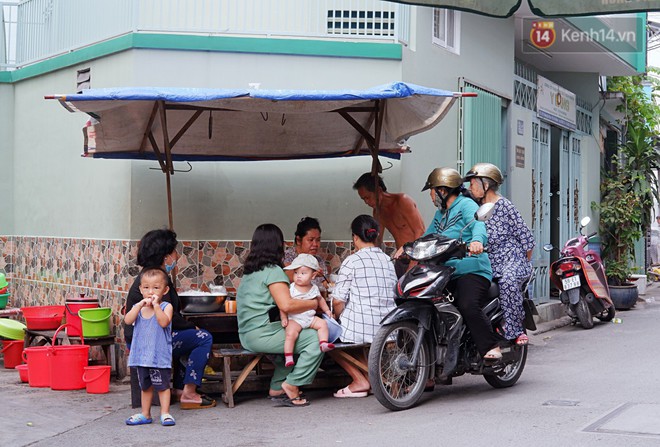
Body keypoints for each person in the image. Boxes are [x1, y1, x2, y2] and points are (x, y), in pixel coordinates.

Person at [399, 167, 501, 360]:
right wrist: (408, 248)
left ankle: (491, 345)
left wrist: (477, 241)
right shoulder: (441, 214)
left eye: (431, 191)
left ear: (442, 191)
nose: (431, 196)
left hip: (472, 269)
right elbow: (428, 236)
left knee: (467, 303)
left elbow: (478, 224)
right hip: (446, 271)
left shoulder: (466, 205)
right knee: (426, 302)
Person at [124, 229, 216, 410]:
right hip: (148, 342)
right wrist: (193, 326)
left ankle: (181, 389)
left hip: (141, 339)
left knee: (188, 337)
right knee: (203, 338)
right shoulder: (157, 281)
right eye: (174, 251)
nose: (177, 255)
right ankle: (189, 392)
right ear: (166, 256)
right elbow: (169, 316)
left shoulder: (148, 276)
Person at [237, 223, 324, 407]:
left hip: (247, 334)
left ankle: (277, 388)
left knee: (292, 336)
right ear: (278, 245)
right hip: (261, 334)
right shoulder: (272, 271)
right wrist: (313, 303)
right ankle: (292, 384)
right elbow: (287, 304)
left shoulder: (250, 272)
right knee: (314, 339)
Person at [465, 163, 535, 345]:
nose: (470, 188)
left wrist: (523, 264)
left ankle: (516, 331)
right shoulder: (474, 206)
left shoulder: (504, 206)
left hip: (511, 259)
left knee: (508, 281)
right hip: (487, 260)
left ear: (486, 185)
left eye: (473, 183)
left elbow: (527, 239)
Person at [329, 215, 397, 398]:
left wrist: (336, 316)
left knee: (328, 339)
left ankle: (360, 380)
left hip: (362, 326)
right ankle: (370, 378)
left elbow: (337, 301)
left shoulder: (352, 261)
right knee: (352, 333)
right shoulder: (387, 260)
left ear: (355, 237)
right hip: (389, 327)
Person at [124, 267, 175, 426]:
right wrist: (138, 306)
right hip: (141, 356)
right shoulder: (138, 309)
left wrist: (157, 306)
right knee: (145, 386)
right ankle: (145, 414)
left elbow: (163, 322)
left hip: (159, 356)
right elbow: (127, 320)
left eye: (156, 288)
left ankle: (165, 413)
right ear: (140, 289)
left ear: (165, 290)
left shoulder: (166, 307)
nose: (150, 291)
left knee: (163, 386)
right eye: (146, 288)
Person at [353, 172, 426, 277]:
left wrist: (414, 262)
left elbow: (420, 230)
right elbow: (377, 240)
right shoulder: (378, 212)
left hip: (418, 259)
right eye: (363, 199)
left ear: (378, 190)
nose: (366, 202)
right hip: (401, 260)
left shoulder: (402, 201)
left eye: (368, 197)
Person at [281, 253, 335, 367]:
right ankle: (288, 356)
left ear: (313, 275)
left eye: (303, 273)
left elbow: (321, 301)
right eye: (296, 273)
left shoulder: (314, 288)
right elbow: (283, 305)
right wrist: (284, 317)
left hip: (310, 318)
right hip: (295, 319)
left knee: (323, 324)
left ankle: (323, 343)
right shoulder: (291, 288)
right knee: (290, 334)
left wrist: (327, 311)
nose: (298, 276)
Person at [284, 217, 329, 289]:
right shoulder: (288, 256)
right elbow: (288, 275)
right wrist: (314, 274)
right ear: (299, 240)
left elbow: (325, 282)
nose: (315, 244)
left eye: (318, 240)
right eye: (310, 240)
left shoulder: (318, 260)